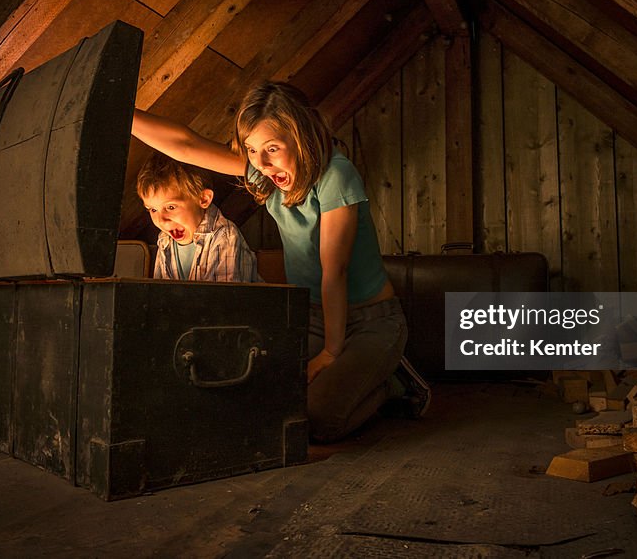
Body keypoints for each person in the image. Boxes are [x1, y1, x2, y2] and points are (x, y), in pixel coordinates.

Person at [132, 81, 430, 442]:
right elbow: (187, 145)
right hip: (314, 316)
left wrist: (330, 355)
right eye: (252, 150)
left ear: (302, 135)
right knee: (258, 399)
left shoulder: (336, 176)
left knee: (318, 421)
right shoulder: (266, 173)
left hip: (371, 322)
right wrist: (123, 114)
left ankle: (392, 385)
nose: (261, 162)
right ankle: (358, 378)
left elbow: (334, 271)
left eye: (272, 148)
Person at [137, 152, 260, 283]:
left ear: (203, 199)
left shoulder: (225, 236)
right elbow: (159, 292)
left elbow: (224, 299)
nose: (161, 220)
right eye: (153, 209)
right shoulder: (164, 239)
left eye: (171, 207)